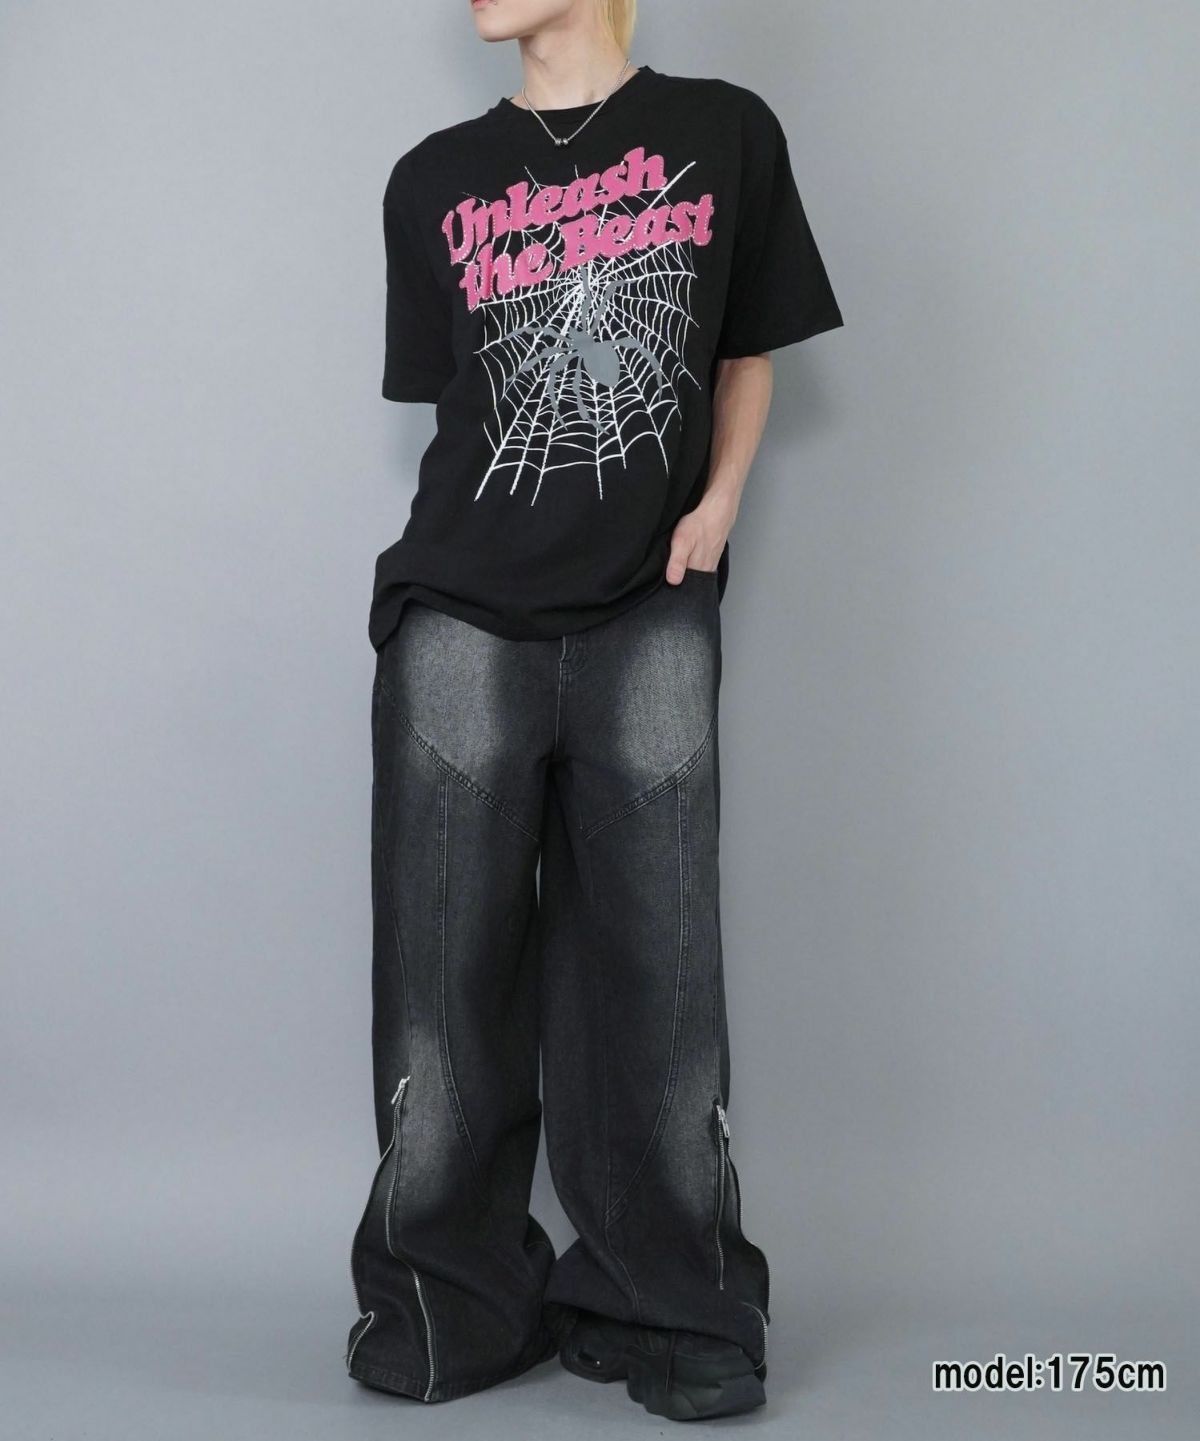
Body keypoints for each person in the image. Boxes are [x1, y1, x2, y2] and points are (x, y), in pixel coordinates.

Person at [345, 0, 843, 1421]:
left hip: (649, 606)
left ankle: (673, 1303)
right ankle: (447, 1304)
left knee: (660, 986)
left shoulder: (723, 134)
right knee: (443, 990)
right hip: (459, 611)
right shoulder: (432, 179)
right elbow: (455, 405)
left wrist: (720, 504)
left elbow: (746, 342)